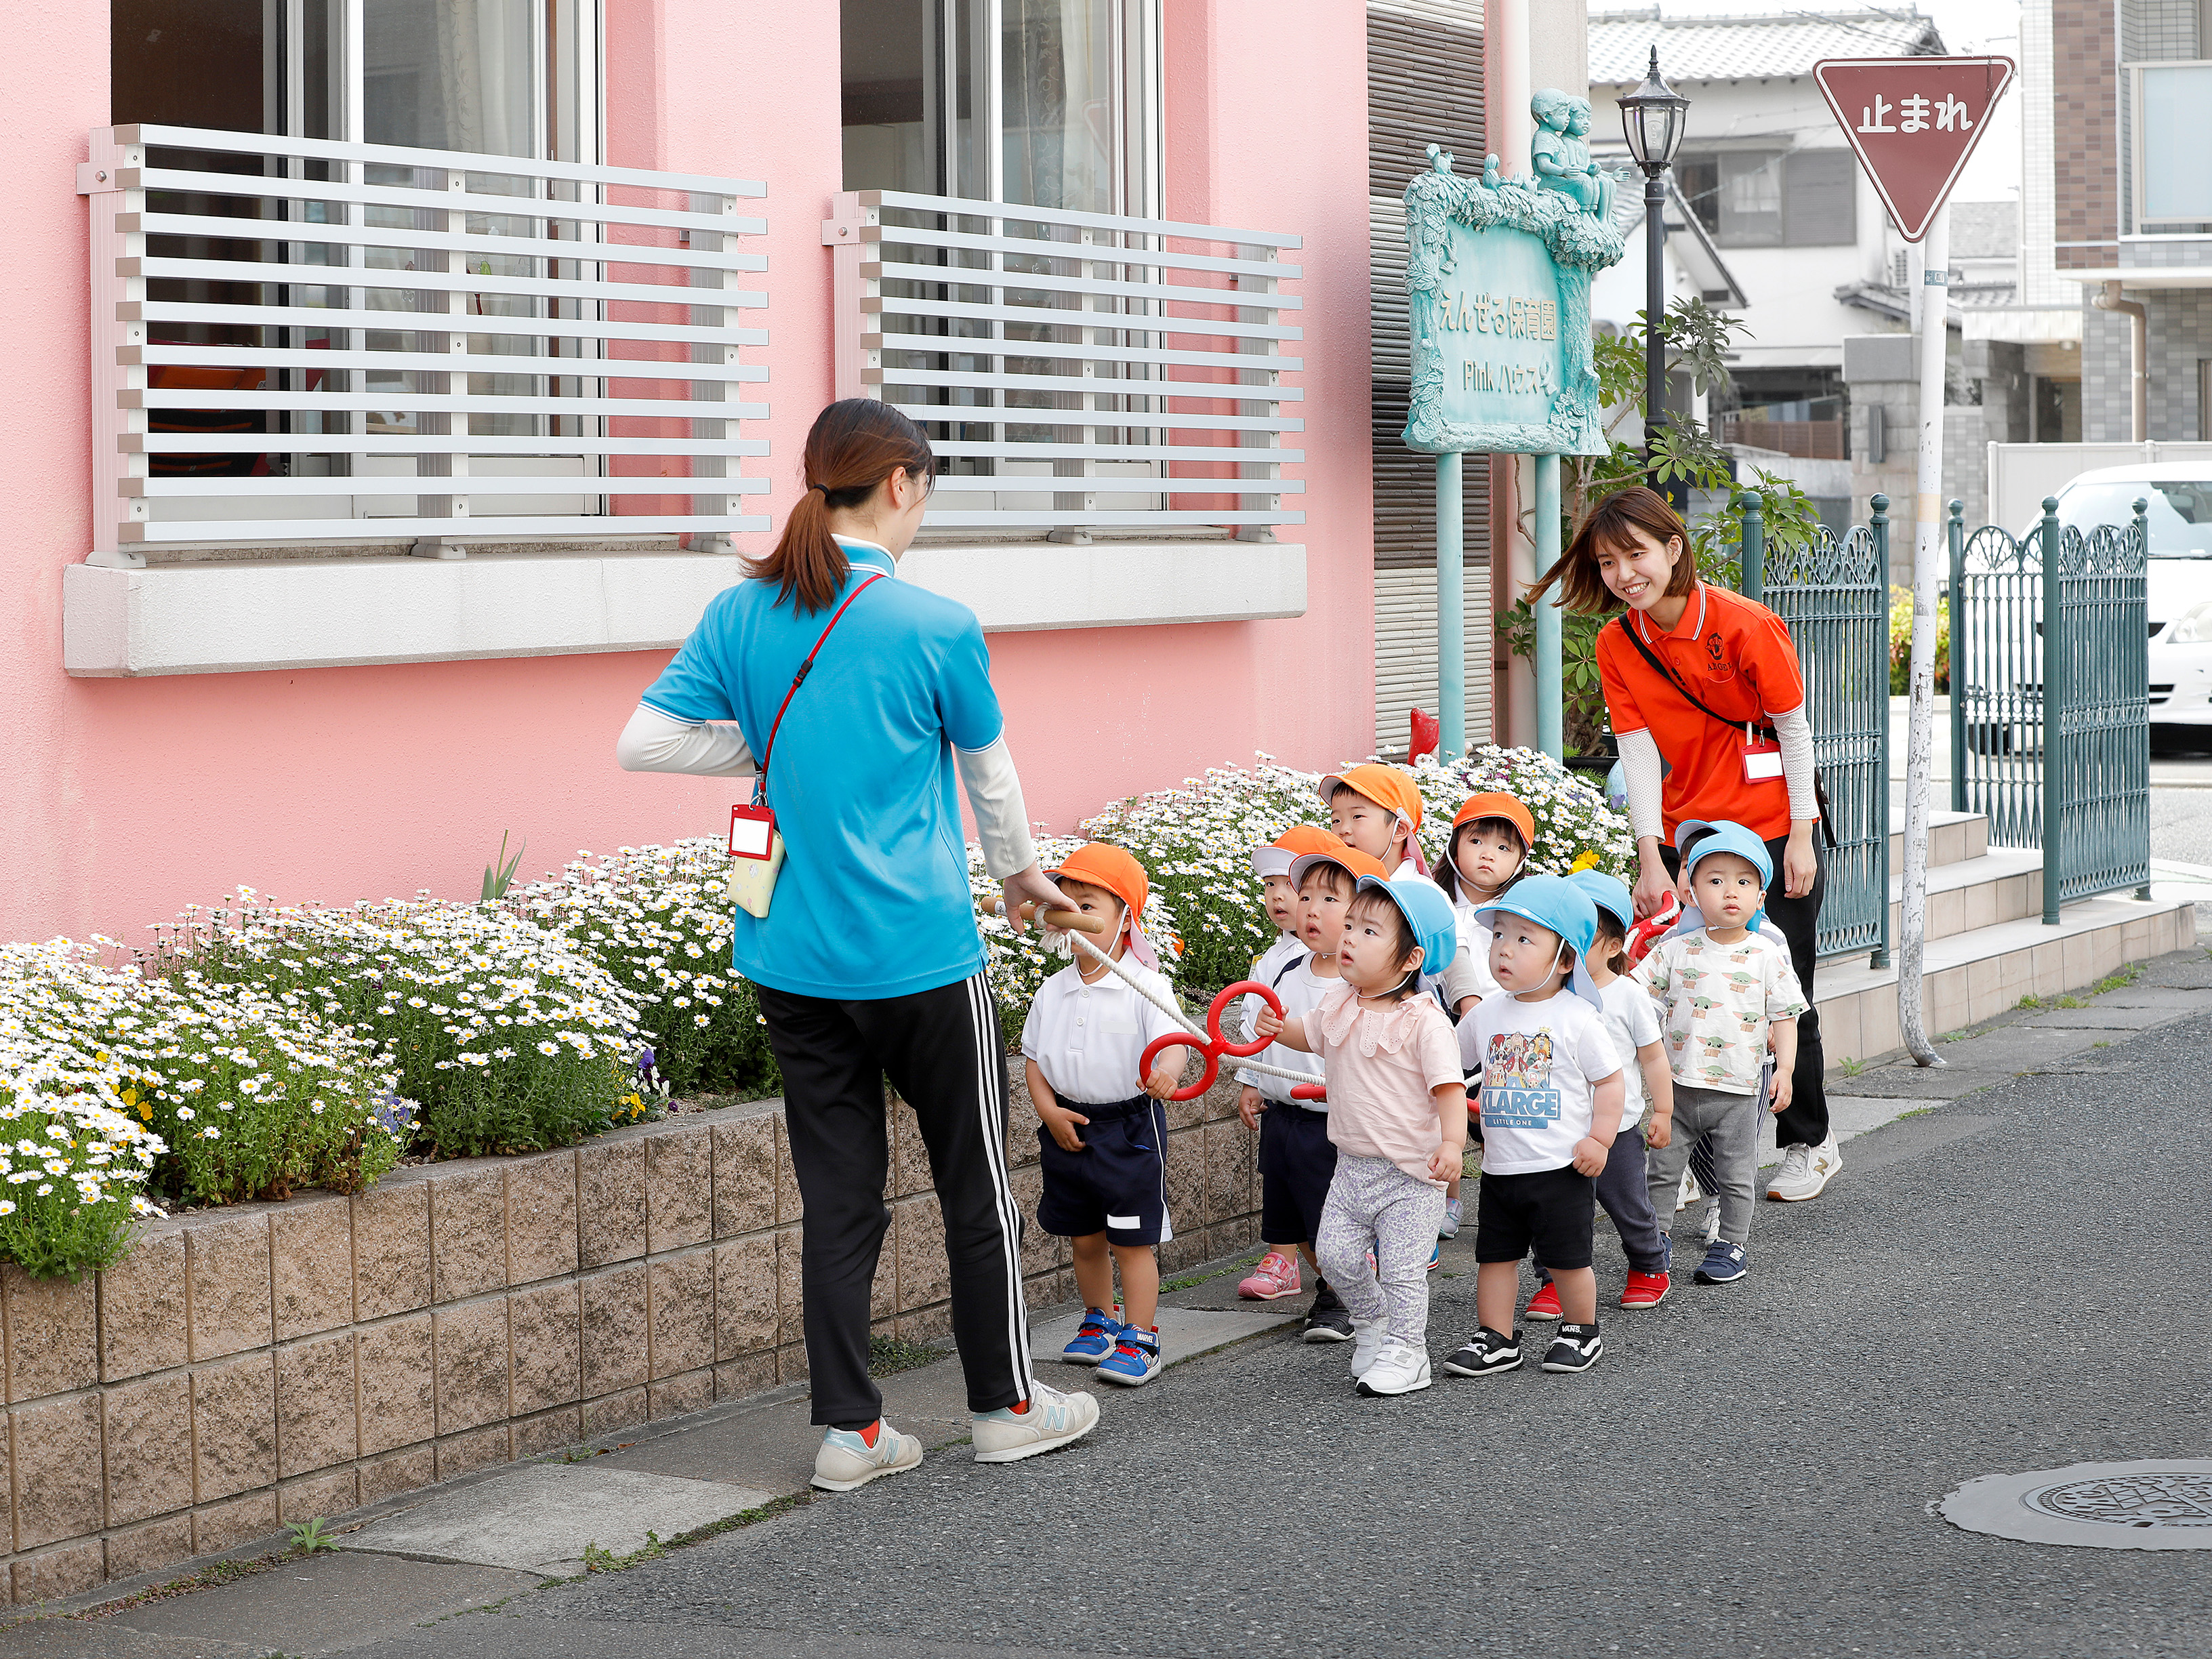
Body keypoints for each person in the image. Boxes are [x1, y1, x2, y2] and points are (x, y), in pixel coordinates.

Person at [615, 398, 1099, 1493]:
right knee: (970, 1182)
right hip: (921, 956)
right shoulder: (934, 624)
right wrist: (1020, 873)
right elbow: (990, 775)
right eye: (923, 489)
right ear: (897, 484)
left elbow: (641, 739)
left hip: (788, 958)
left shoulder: (740, 613)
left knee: (840, 1200)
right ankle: (1005, 1408)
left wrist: (777, 748)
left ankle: (849, 1433)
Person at [1533, 485, 1842, 1206]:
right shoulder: (1619, 642)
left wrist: (1801, 837)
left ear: (1674, 549)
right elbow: (1637, 756)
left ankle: (1810, 1143)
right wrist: (1651, 856)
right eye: (1607, 562)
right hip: (1692, 835)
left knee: (1778, 995)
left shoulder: (1744, 625)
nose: (1622, 574)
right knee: (1687, 994)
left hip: (1768, 830)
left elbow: (1794, 733)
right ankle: (1705, 1163)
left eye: (1634, 555)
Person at [1252, 876, 1469, 1399]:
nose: (1349, 937)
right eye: (1350, 925)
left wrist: (1452, 1146)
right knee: (1337, 1257)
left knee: (1401, 1270)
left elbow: (1449, 1090)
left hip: (1410, 1174)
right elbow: (1311, 1034)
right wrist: (1279, 1028)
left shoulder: (1426, 1023)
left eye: (1369, 931)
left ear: (1411, 958)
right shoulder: (1340, 1002)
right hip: (1350, 1165)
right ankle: (1372, 1326)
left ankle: (1408, 1351)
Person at [1443, 876, 1626, 1378]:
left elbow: (1610, 1085)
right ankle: (1496, 1337)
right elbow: (1446, 1066)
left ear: (1566, 959)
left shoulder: (1577, 1018)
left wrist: (1600, 1139)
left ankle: (1580, 1330)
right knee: (1495, 1258)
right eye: (1499, 935)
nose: (1504, 949)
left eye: (1525, 939)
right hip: (1501, 1167)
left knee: (1568, 1260)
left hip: (1561, 1166)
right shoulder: (1484, 1016)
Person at [1021, 844, 1187, 1388]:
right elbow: (1035, 1061)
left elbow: (1176, 1043)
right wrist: (1049, 1112)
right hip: (1068, 1128)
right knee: (1084, 1236)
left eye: (1086, 904)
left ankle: (1141, 1336)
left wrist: (1167, 1069)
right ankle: (1099, 1317)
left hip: (1129, 1131)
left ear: (1125, 919)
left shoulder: (1143, 984)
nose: (1069, 914)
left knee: (1129, 1239)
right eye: (1062, 901)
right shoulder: (1052, 990)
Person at [1635, 822, 1807, 1287]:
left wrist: (1787, 1070)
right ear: (1689, 892)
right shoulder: (1674, 950)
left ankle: (1731, 1244)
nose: (1730, 891)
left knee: (1736, 1175)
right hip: (1676, 1087)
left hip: (1738, 1088)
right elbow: (1635, 999)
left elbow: (1787, 1017)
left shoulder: (1766, 955)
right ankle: (1656, 1239)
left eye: (1744, 881)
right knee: (1663, 1171)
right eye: (1715, 880)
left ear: (1761, 897)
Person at [1234, 842, 1389, 1343]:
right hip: (1283, 1115)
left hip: (1333, 1120)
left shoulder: (1358, 983)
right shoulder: (1280, 970)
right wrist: (1253, 1082)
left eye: (1329, 900)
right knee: (1289, 1218)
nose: (1311, 910)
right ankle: (1336, 1279)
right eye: (1306, 898)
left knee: (1329, 1213)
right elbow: (1261, 1037)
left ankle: (1344, 1294)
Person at [1519, 869, 1673, 1317]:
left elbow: (1654, 1058)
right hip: (1556, 1129)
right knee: (1554, 1212)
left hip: (1617, 1129)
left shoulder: (1627, 995)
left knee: (1628, 1205)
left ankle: (1649, 1266)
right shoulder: (1541, 995)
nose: (1567, 948)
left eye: (1581, 939)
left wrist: (1662, 1110)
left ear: (1612, 946)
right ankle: (1554, 1278)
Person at [1428, 790, 1536, 1240]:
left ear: (1521, 860)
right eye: (1476, 841)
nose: (1488, 854)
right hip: (1445, 1028)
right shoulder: (1433, 900)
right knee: (1440, 1117)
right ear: (1455, 846)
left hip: (1509, 1027)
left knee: (1505, 1118)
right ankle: (1447, 1201)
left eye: (1504, 847)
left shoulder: (1523, 908)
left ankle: (1520, 1197)